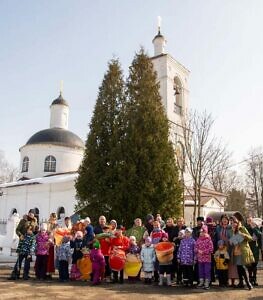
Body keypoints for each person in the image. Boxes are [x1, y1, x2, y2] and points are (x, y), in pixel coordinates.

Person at [229, 216, 254, 290]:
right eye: (232, 223)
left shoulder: (242, 228)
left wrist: (243, 235)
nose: (233, 224)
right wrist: (231, 242)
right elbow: (232, 241)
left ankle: (248, 283)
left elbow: (250, 238)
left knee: (242, 267)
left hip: (242, 251)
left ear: (237, 222)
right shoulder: (231, 231)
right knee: (239, 268)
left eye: (234, 222)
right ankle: (241, 283)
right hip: (235, 252)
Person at [195, 225, 214, 290]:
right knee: (201, 271)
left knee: (207, 271)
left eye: (203, 232)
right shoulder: (198, 240)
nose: (201, 233)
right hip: (200, 259)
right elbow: (195, 247)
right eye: (200, 232)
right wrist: (198, 250)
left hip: (207, 259)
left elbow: (211, 249)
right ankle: (201, 282)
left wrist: (203, 252)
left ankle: (207, 283)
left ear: (206, 232)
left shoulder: (209, 240)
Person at [245, 216, 262, 286]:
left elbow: (260, 235)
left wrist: (254, 228)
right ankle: (250, 279)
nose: (249, 222)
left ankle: (254, 280)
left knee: (254, 265)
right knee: (249, 265)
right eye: (248, 220)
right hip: (248, 248)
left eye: (250, 220)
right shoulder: (245, 228)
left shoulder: (256, 227)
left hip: (255, 249)